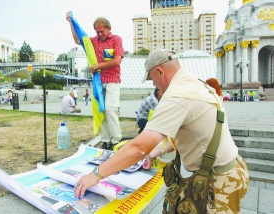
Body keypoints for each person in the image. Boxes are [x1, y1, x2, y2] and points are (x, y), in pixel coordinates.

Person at [73, 49, 249, 213]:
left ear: (159, 71)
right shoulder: (195, 84)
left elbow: (139, 147)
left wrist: (96, 175)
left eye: (151, 78)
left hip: (220, 182)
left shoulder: (178, 94)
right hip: (231, 171)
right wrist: (152, 154)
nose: (155, 85)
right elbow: (182, 136)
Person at [66, 14, 124, 150]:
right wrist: (71, 23)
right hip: (98, 82)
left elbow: (117, 61)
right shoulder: (94, 41)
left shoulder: (116, 39)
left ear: (109, 28)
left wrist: (97, 66)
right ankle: (105, 139)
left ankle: (116, 140)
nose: (99, 34)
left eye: (101, 31)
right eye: (97, 32)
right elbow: (77, 40)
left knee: (111, 109)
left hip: (112, 81)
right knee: (101, 110)